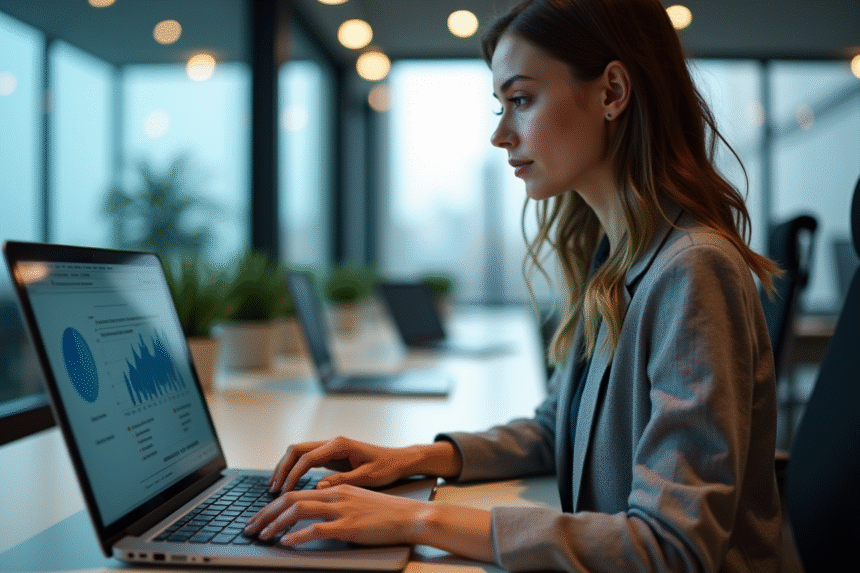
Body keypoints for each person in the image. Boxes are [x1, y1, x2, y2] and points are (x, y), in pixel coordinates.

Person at [243, 0, 783, 570]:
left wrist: (418, 518)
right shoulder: (617, 258)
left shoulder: (692, 269)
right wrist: (410, 459)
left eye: (521, 100)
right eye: (501, 106)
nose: (501, 135)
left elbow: (673, 547)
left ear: (612, 93)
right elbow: (559, 430)